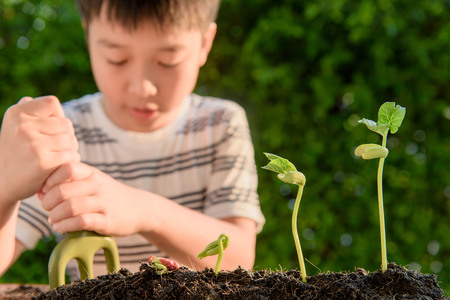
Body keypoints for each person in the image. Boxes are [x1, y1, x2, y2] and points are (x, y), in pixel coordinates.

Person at [0, 0, 265, 280]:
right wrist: (5, 189)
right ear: (88, 35)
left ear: (205, 44)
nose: (142, 87)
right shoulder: (62, 135)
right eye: (117, 58)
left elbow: (239, 257)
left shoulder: (220, 125)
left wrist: (143, 211)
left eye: (168, 61)